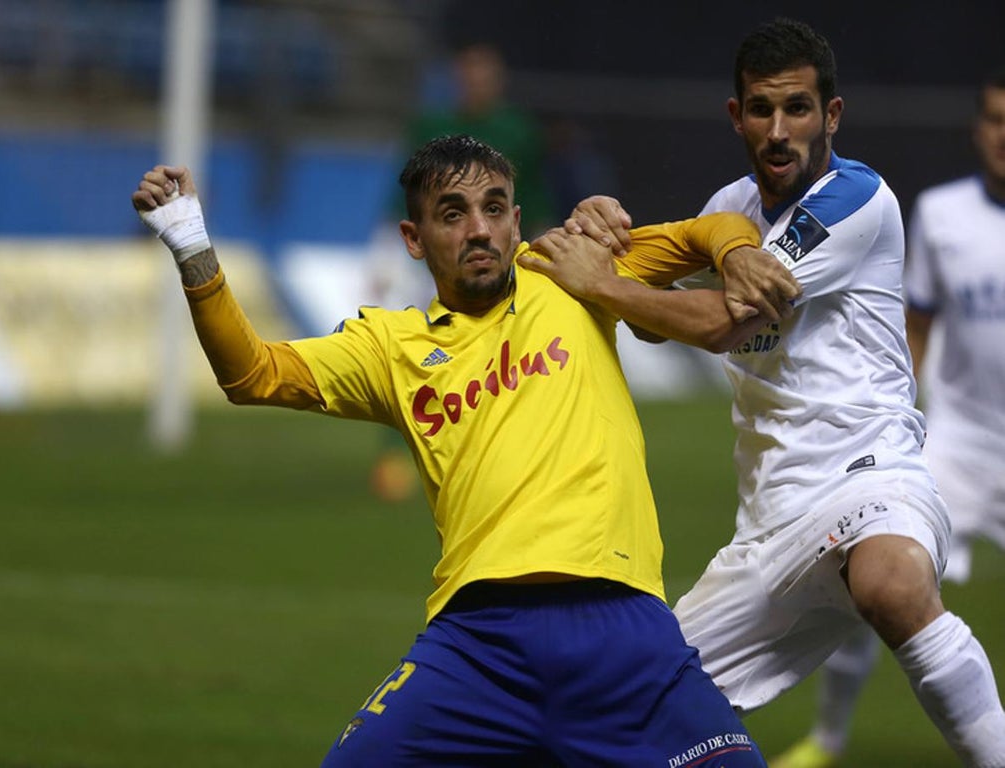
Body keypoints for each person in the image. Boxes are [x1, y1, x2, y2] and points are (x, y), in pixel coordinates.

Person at [131, 134, 788, 766]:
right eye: (453, 214)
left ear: (515, 220)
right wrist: (191, 242)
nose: (479, 229)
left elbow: (710, 229)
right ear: (413, 240)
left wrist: (735, 256)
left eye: (494, 208)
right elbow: (251, 374)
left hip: (617, 630)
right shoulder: (390, 348)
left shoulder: (567, 270)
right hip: (477, 647)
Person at [521, 18, 1005, 767]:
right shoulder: (728, 210)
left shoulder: (857, 199)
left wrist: (604, 282)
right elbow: (658, 322)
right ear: (735, 115)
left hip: (869, 474)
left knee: (890, 585)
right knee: (641, 705)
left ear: (831, 116)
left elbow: (717, 324)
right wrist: (601, 235)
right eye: (761, 110)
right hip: (769, 522)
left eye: (798, 109)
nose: (779, 130)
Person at [769, 64, 1005, 768]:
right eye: (994, 119)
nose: (1004, 135)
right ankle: (830, 741)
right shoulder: (939, 214)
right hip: (956, 441)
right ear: (976, 128)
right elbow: (917, 325)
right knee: (870, 573)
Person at [367, 41, 557, 502]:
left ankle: (499, 446)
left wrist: (548, 256)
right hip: (432, 258)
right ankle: (399, 452)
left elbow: (533, 196)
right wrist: (382, 253)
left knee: (507, 352)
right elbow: (404, 193)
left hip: (499, 256)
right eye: (469, 74)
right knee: (414, 351)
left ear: (498, 81)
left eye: (484, 75)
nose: (476, 83)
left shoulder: (518, 132)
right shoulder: (432, 126)